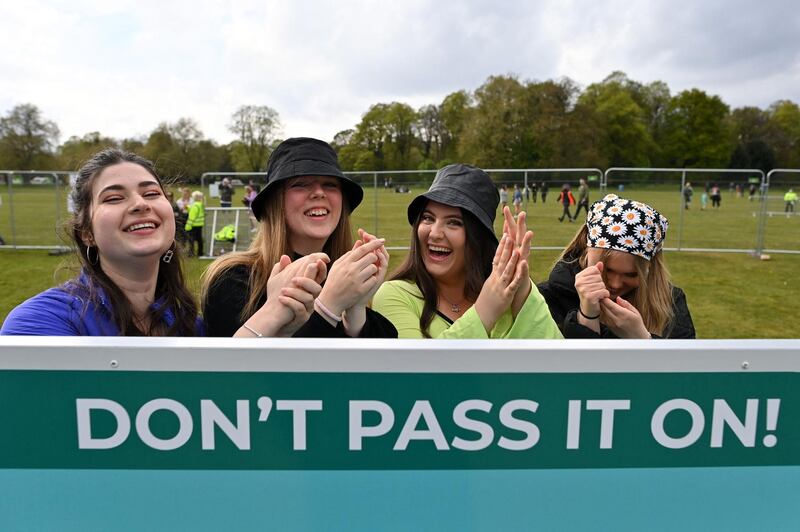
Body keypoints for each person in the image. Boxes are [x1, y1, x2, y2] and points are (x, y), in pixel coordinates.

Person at [201, 137, 397, 338]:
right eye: (301, 184)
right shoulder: (234, 280)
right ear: (275, 203)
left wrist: (356, 309)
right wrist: (329, 307)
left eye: (330, 184)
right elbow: (238, 365)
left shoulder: (343, 279)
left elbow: (377, 365)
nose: (319, 193)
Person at [1, 148, 201, 336]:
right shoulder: (38, 322)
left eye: (151, 194)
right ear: (87, 232)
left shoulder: (193, 326)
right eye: (114, 198)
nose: (141, 203)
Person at [372, 164, 562, 339]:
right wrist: (485, 311)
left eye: (454, 222)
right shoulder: (395, 295)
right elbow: (416, 372)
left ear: (478, 238)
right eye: (428, 218)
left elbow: (557, 363)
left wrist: (520, 290)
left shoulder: (506, 293)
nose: (435, 233)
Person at [538, 194, 695, 339]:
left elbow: (687, 365)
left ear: (650, 269)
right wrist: (587, 318)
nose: (615, 284)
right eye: (607, 270)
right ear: (587, 251)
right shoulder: (550, 297)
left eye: (631, 275)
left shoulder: (669, 303)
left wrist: (642, 339)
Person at [185, 191, 205, 257]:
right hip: (199, 224)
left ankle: (191, 253)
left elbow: (192, 216)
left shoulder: (195, 205)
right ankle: (200, 253)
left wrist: (188, 226)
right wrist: (188, 207)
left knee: (191, 240)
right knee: (199, 240)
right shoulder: (200, 204)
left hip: (193, 225)